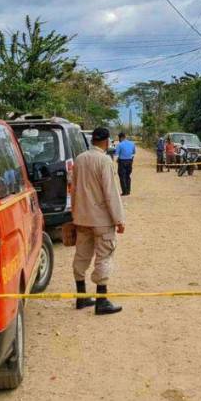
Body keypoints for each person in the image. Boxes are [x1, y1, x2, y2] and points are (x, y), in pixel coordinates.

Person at [71, 127, 125, 315]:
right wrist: (119, 219)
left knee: (81, 256)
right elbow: (111, 193)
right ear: (106, 141)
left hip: (82, 218)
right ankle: (102, 302)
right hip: (101, 220)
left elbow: (73, 189)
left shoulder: (79, 159)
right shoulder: (105, 161)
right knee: (104, 256)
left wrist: (74, 214)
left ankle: (81, 297)